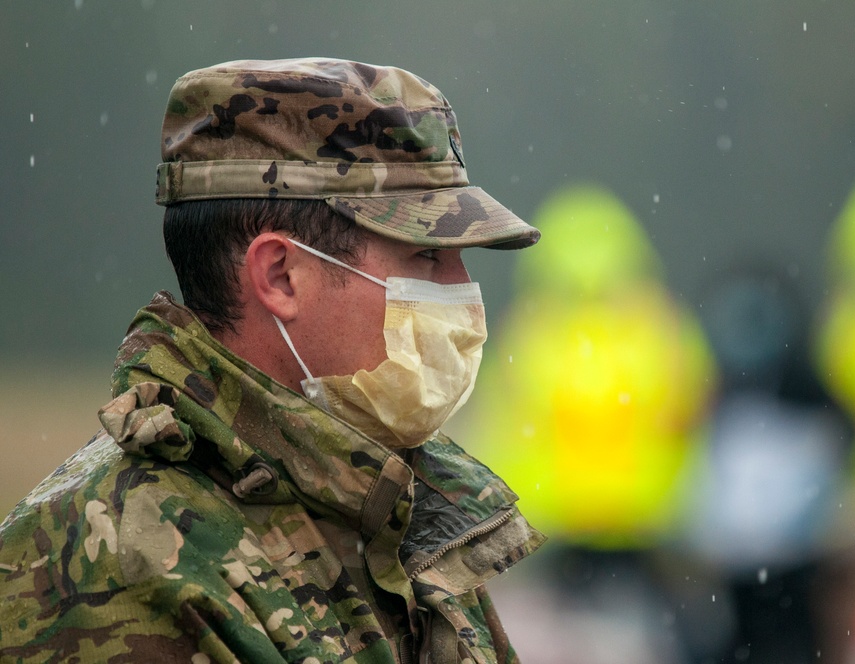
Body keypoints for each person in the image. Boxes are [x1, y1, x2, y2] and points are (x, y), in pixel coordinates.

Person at [0, 58, 545, 663]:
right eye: (426, 256)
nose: (463, 290)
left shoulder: (392, 505)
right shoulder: (125, 565)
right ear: (281, 275)